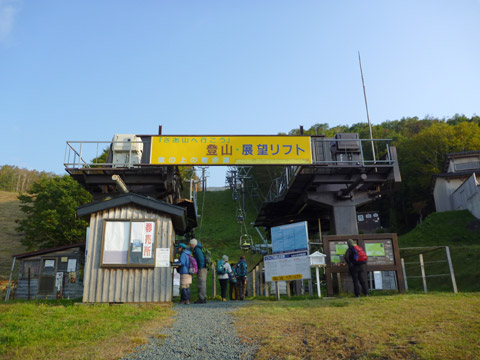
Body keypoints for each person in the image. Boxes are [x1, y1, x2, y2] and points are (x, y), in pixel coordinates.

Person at [190, 238, 207, 304]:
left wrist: (199, 268)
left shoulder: (196, 249)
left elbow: (200, 259)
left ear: (193, 244)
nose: (190, 246)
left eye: (190, 244)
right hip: (203, 267)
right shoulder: (199, 248)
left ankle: (201, 298)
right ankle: (203, 297)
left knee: (201, 283)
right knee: (203, 283)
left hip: (201, 268)